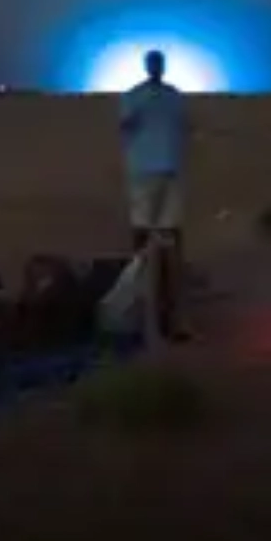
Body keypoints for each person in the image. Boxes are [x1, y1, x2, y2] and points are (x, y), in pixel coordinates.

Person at [119, 48, 188, 340]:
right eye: (153, 63)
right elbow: (125, 125)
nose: (156, 67)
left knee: (170, 238)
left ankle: (168, 312)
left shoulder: (173, 96)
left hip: (167, 170)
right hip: (144, 172)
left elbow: (182, 128)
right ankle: (140, 306)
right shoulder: (135, 96)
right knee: (144, 238)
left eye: (160, 63)